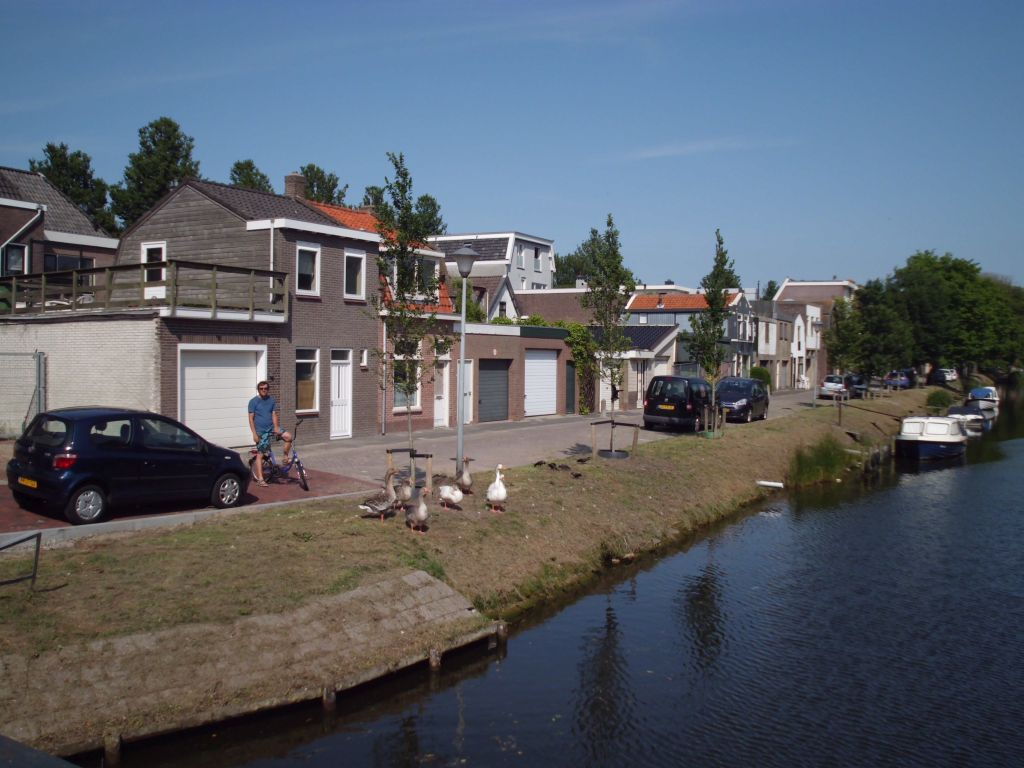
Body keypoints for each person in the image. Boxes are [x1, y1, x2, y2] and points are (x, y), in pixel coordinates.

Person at [248, 381, 292, 487]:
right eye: (261, 388)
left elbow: (274, 414)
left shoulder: (271, 400)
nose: (264, 390)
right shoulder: (253, 402)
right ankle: (260, 479)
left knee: (288, 437)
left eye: (266, 388)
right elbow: (251, 419)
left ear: (268, 389)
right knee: (261, 454)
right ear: (258, 390)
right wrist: (254, 434)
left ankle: (285, 457)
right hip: (261, 431)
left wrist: (276, 427)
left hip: (271, 428)